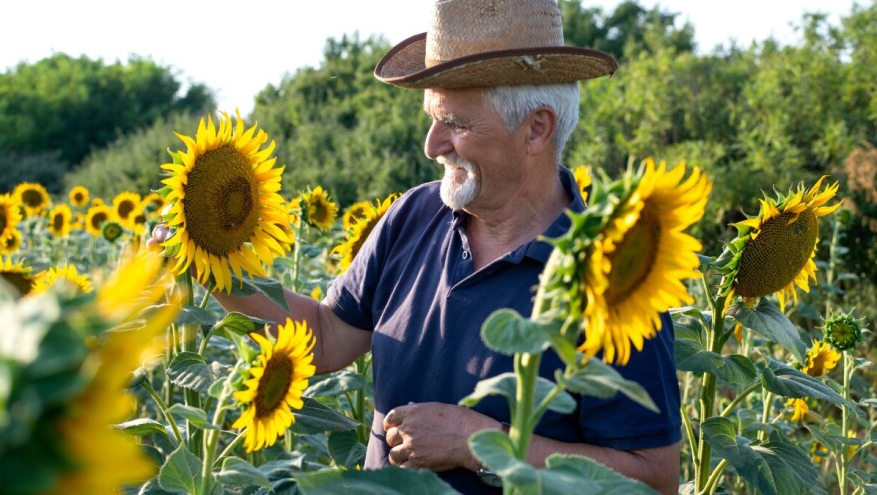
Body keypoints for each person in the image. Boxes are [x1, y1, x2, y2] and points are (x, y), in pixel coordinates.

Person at [152, 0, 681, 493]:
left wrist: (482, 444)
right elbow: (325, 336)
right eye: (432, 118)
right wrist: (212, 264)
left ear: (536, 129)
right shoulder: (414, 215)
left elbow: (652, 478)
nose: (432, 145)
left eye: (454, 123)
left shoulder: (618, 277)